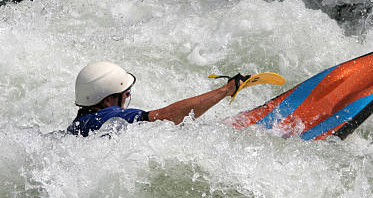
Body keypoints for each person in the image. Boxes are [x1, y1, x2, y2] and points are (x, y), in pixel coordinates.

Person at [67, 61, 247, 137]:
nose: (127, 97)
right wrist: (227, 89)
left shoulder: (78, 125)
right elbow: (169, 117)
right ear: (108, 101)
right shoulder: (111, 116)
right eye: (126, 94)